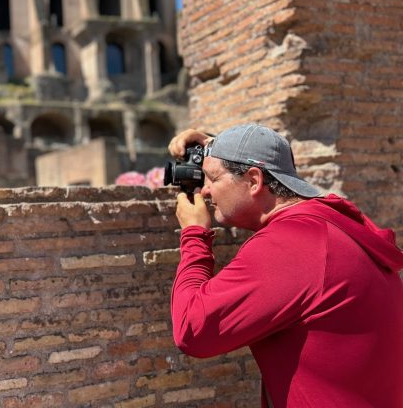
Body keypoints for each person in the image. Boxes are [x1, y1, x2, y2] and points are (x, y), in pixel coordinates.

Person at [167, 123, 403, 408]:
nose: (204, 190)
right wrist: (223, 149)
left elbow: (194, 331)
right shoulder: (332, 222)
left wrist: (194, 235)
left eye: (212, 178)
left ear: (254, 180)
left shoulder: (292, 245)